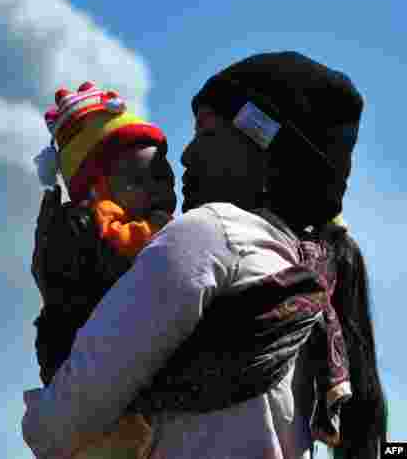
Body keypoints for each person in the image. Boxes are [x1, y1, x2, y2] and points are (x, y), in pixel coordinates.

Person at [22, 52, 388, 459]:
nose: (185, 155)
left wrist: (59, 300)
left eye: (206, 133)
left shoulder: (210, 234)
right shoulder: (310, 273)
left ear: (263, 148)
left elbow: (56, 425)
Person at [32, 81, 177, 458]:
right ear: (97, 190)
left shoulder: (160, 231)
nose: (158, 189)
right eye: (138, 180)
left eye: (163, 177)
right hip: (87, 391)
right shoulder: (78, 230)